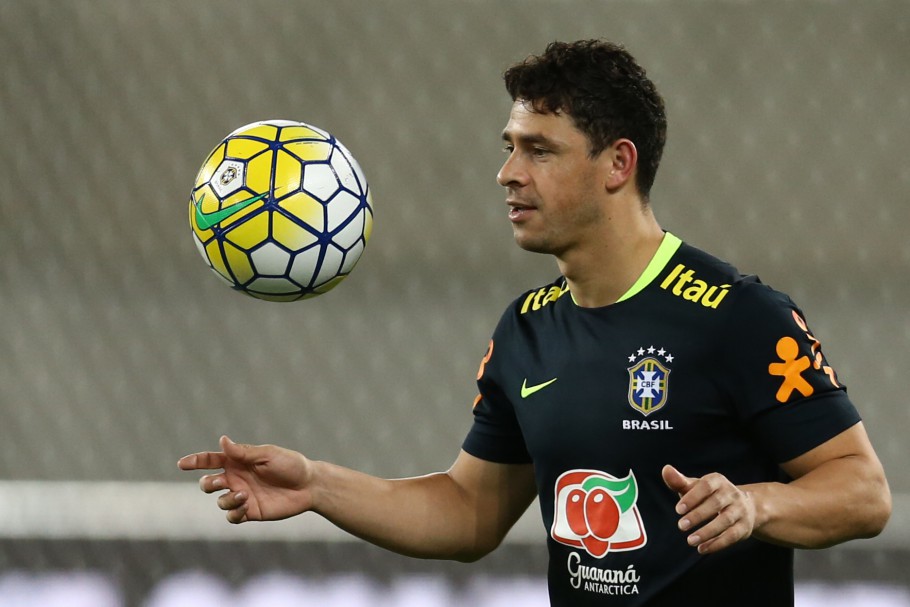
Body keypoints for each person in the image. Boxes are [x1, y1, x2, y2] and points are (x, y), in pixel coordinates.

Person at [179, 40, 891, 605]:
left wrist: (756, 505)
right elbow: (469, 512)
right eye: (509, 146)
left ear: (617, 163)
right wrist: (315, 486)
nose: (508, 173)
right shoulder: (528, 329)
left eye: (539, 149)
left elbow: (862, 491)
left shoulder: (735, 316)